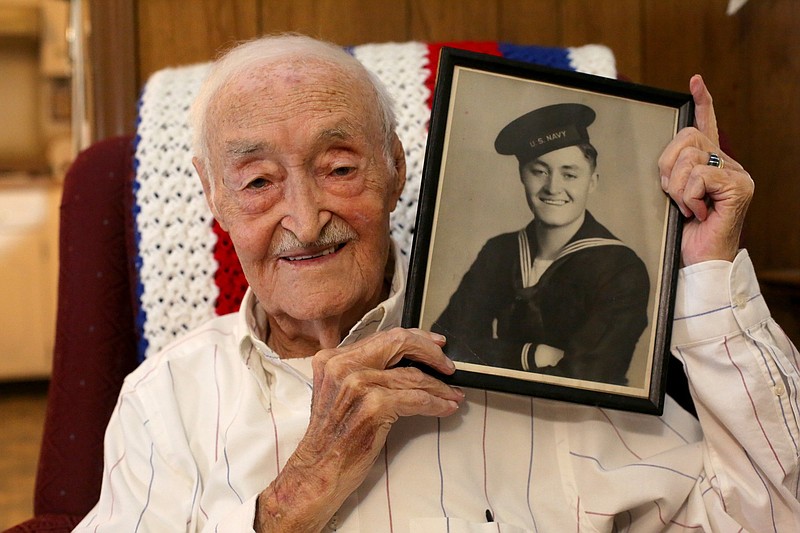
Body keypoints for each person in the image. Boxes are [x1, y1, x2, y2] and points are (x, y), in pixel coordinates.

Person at [74, 34, 799, 532]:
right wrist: (286, 506)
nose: (304, 216)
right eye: (259, 180)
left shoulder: (546, 362)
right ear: (213, 195)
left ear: (394, 167)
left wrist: (707, 268)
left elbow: (771, 513)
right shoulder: (165, 399)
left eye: (339, 167)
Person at [433, 103, 650, 385]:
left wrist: (495, 355)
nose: (553, 188)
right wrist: (531, 355)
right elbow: (447, 345)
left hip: (585, 422)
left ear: (592, 182)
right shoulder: (500, 252)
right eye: (540, 172)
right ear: (522, 176)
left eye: (569, 174)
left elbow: (589, 377)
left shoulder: (620, 268)